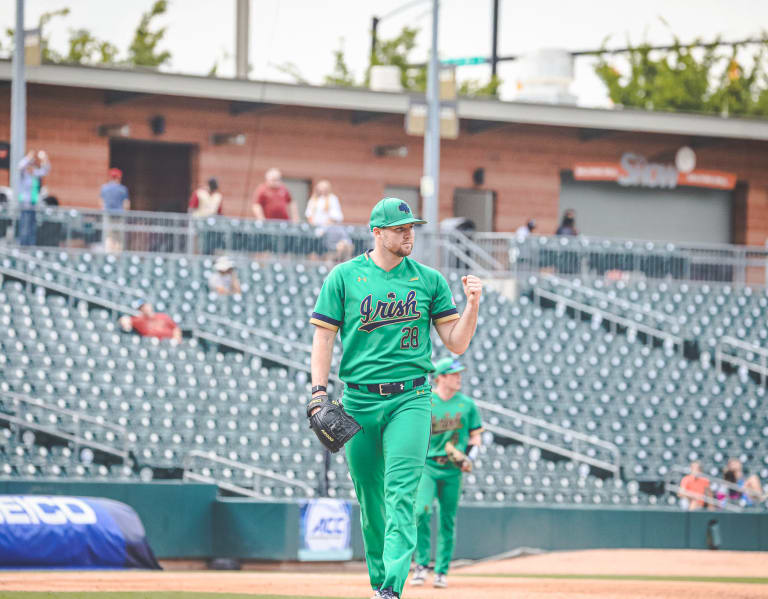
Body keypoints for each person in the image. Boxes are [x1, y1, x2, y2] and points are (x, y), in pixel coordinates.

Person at [308, 197, 483, 599]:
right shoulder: (344, 277)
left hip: (411, 398)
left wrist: (472, 305)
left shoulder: (429, 280)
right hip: (358, 401)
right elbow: (323, 337)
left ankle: (391, 589)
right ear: (377, 232)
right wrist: (319, 392)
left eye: (412, 228)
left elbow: (456, 343)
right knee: (371, 502)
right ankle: (377, 584)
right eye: (401, 228)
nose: (409, 234)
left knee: (401, 493)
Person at [411, 357, 483, 589]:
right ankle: (421, 565)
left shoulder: (467, 405)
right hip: (429, 465)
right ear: (440, 377)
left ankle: (441, 571)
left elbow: (476, 436)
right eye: (453, 374)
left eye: (459, 373)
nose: (458, 377)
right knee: (420, 511)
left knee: (447, 520)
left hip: (453, 469)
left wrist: (469, 457)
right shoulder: (426, 401)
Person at [305, 179, 354, 262]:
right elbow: (309, 214)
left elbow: (335, 216)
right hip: (316, 228)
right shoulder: (313, 199)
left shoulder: (332, 199)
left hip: (329, 229)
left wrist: (325, 226)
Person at [17, 150, 51, 246]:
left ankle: (30, 245)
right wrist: (28, 157)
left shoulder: (35, 174)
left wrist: (45, 159)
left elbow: (46, 170)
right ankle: (23, 244)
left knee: (32, 226)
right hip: (25, 203)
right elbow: (20, 166)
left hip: (33, 203)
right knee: (24, 225)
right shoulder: (25, 174)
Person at [100, 168, 130, 252]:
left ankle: (109, 255)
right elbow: (126, 204)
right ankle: (117, 256)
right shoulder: (123, 189)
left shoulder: (104, 188)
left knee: (108, 236)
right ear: (118, 177)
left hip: (108, 215)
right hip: (119, 216)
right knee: (119, 238)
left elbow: (101, 203)